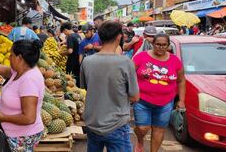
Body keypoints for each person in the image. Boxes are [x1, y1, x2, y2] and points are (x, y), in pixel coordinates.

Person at [80, 20, 139, 152]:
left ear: (100, 37)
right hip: (116, 124)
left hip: (93, 123)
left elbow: (86, 87)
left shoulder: (87, 61)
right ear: (119, 37)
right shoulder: (125, 62)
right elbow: (135, 97)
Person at [0, 40, 45, 152]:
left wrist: (3, 118)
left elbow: (29, 118)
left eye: (11, 55)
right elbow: (7, 70)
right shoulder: (22, 70)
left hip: (22, 137)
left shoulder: (29, 80)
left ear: (19, 57)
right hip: (13, 133)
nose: (9, 57)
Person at [132, 33, 186, 152]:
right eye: (158, 44)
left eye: (164, 45)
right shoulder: (141, 57)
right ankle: (140, 140)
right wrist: (131, 92)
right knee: (142, 128)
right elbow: (128, 74)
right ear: (152, 44)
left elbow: (181, 81)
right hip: (142, 100)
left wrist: (181, 100)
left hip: (165, 103)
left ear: (168, 46)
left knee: (159, 129)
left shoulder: (175, 60)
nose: (160, 47)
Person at [60, 22, 82, 87]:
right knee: (77, 79)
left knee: (70, 80)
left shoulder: (70, 37)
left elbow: (70, 51)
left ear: (65, 30)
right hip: (78, 61)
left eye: (64, 32)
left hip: (72, 62)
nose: (64, 34)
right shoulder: (78, 35)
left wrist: (62, 53)